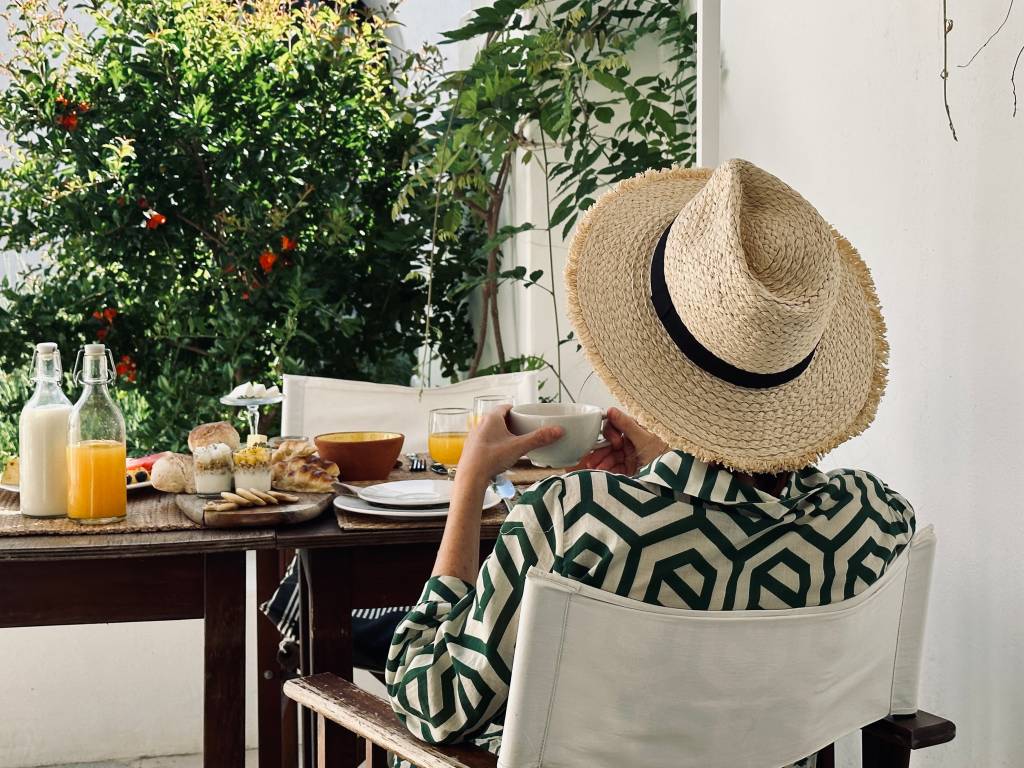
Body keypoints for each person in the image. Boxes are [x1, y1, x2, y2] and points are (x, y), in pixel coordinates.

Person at [384, 159, 915, 768]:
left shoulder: (572, 518)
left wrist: (469, 488)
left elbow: (434, 702)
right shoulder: (874, 522)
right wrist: (656, 472)